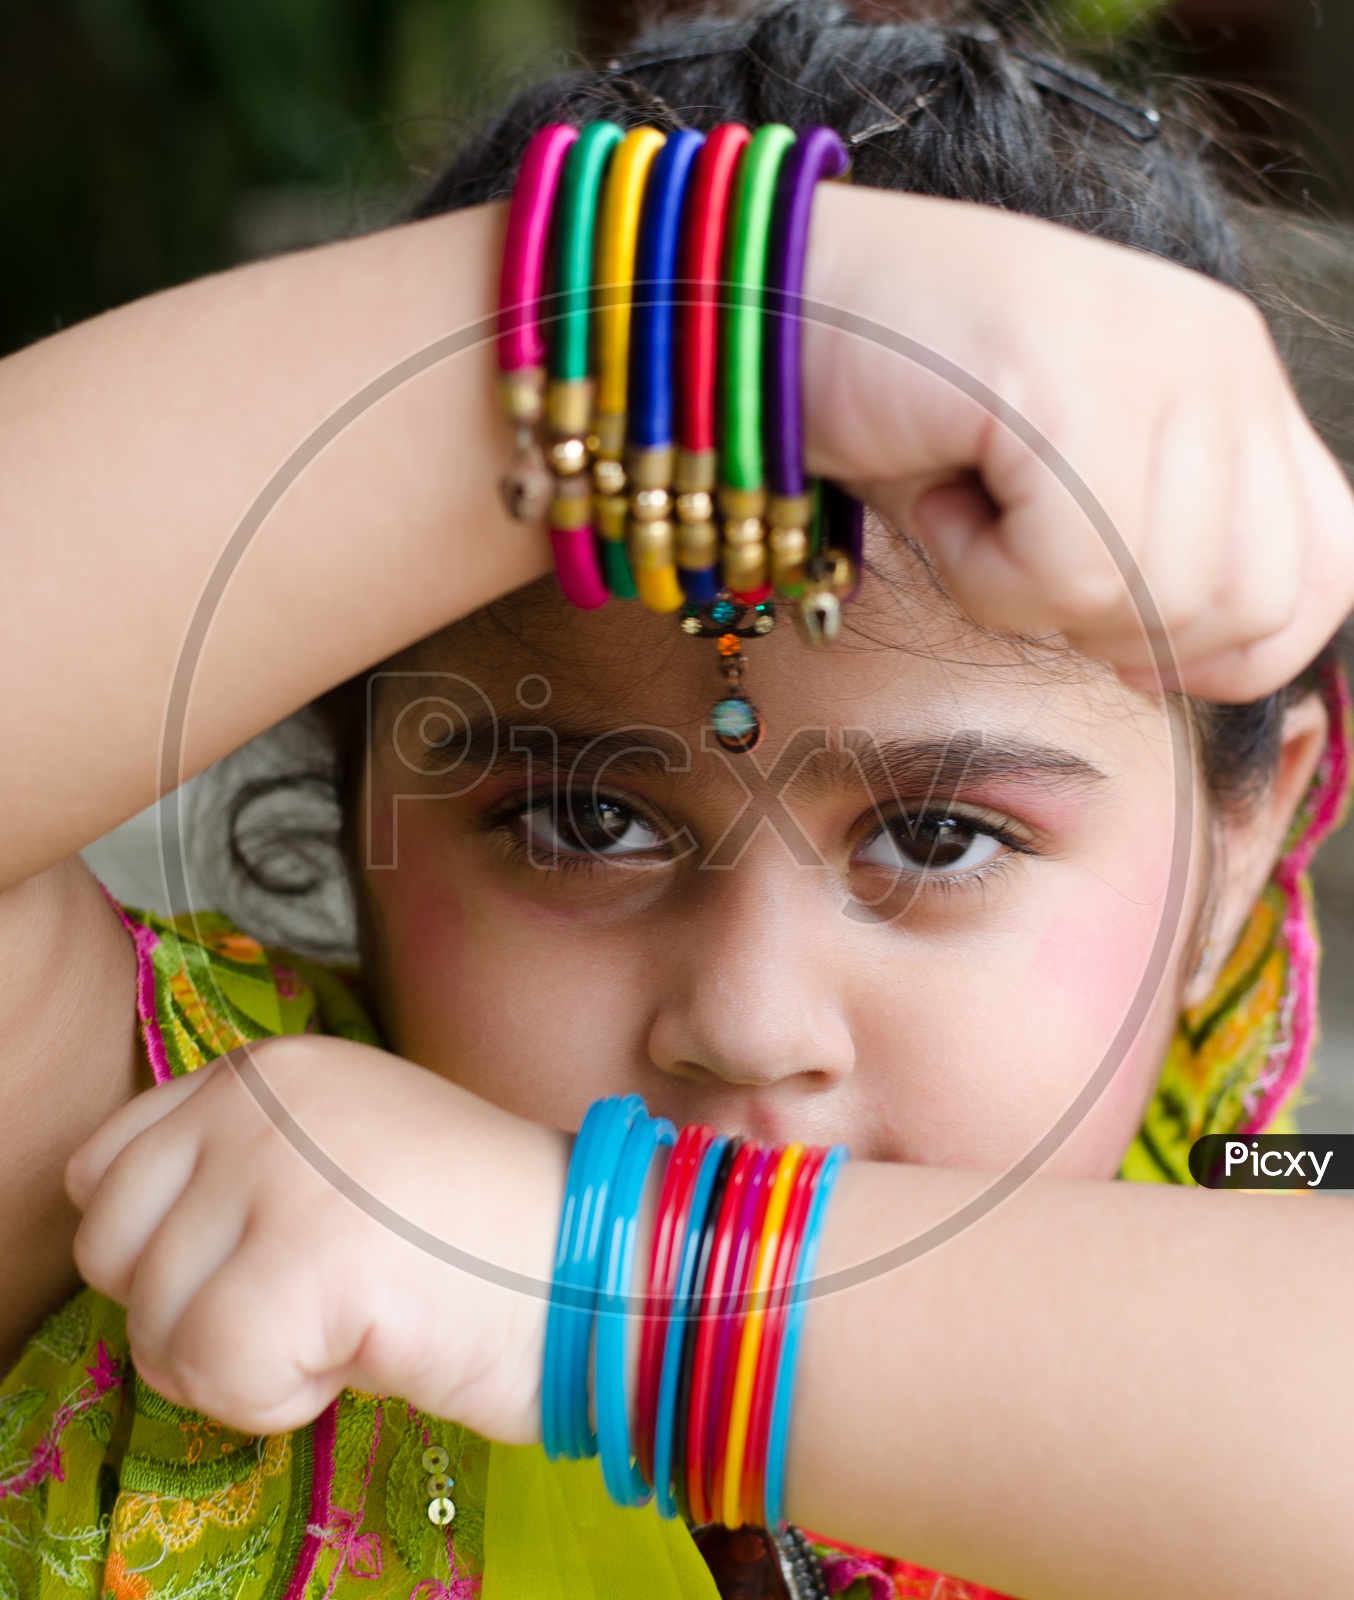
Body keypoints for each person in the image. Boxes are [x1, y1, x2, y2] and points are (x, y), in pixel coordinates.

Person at [2, 3, 1353, 1597]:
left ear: (1233, 855)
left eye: (936, 837)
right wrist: (756, 322)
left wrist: (601, 1297)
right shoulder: (176, 1203)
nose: (746, 1018)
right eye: (586, 823)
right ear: (355, 789)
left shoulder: (1238, 1205)